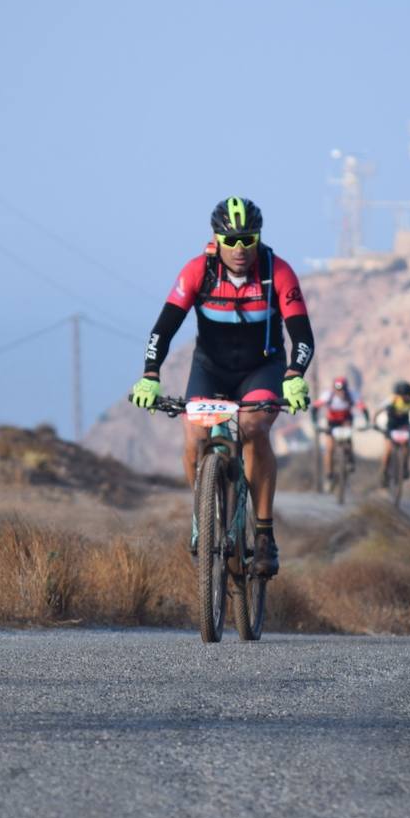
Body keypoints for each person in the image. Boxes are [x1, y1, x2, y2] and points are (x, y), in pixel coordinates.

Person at [130, 197, 315, 576]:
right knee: (194, 432)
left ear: (258, 238)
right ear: (216, 239)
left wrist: (295, 374)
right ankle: (203, 515)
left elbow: (302, 334)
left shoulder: (276, 272)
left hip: (262, 368)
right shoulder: (199, 270)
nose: (240, 249)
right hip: (211, 369)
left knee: (251, 428)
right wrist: (150, 373)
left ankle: (264, 534)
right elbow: (163, 328)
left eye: (248, 239)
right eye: (232, 241)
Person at [313, 376, 370, 491]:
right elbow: (315, 407)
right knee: (329, 448)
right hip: (332, 421)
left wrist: (367, 422)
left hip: (346, 420)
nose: (341, 392)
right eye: (338, 390)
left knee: (348, 436)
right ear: (334, 389)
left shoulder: (352, 394)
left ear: (346, 388)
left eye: (343, 389)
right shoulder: (328, 395)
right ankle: (329, 476)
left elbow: (362, 408)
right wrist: (315, 423)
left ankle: (350, 458)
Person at [373, 381, 410, 485]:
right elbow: (377, 411)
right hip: (391, 425)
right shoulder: (391, 400)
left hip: (404, 425)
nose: (406, 397)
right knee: (388, 449)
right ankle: (384, 471)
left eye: (408, 395)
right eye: (404, 395)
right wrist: (374, 423)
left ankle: (405, 467)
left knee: (406, 446)